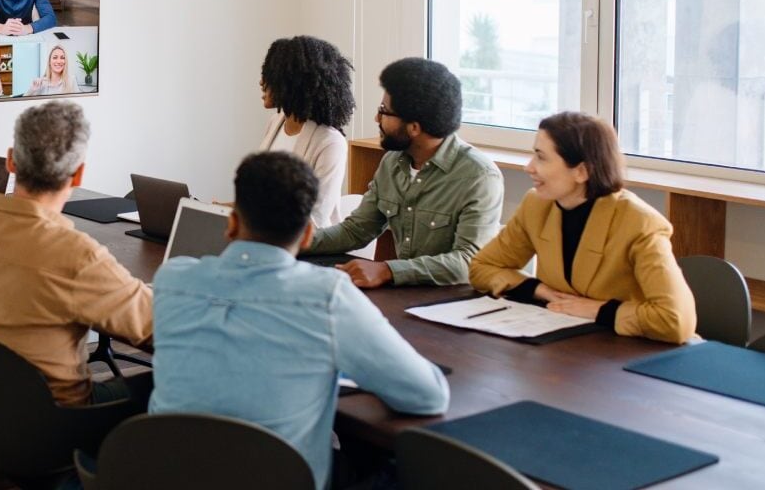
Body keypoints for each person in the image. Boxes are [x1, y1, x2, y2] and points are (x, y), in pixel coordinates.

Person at [149, 152, 449, 489]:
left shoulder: (172, 278)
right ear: (307, 235)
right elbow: (427, 396)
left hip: (170, 475)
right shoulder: (328, 295)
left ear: (231, 223)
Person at [0, 100, 153, 407]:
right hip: (54, 425)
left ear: (10, 161)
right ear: (78, 175)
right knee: (162, 384)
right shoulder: (76, 255)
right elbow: (155, 326)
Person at [470, 112, 697, 344]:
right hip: (566, 343)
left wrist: (599, 310)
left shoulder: (640, 223)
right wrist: (537, 289)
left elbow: (676, 320)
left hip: (632, 351)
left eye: (541, 157)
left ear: (582, 171)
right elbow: (482, 267)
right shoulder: (536, 205)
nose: (529, 167)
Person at [306, 57, 504, 288]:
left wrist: (388, 270)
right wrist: (295, 242)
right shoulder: (392, 162)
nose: (376, 119)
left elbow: (468, 262)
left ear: (414, 127)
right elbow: (356, 230)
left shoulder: (479, 176)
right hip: (404, 295)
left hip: (451, 303)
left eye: (383, 111)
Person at [256, 35, 356, 228]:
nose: (261, 82)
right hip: (264, 236)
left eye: (269, 75)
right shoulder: (275, 123)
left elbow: (315, 217)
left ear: (293, 82)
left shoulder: (330, 142)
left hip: (307, 245)